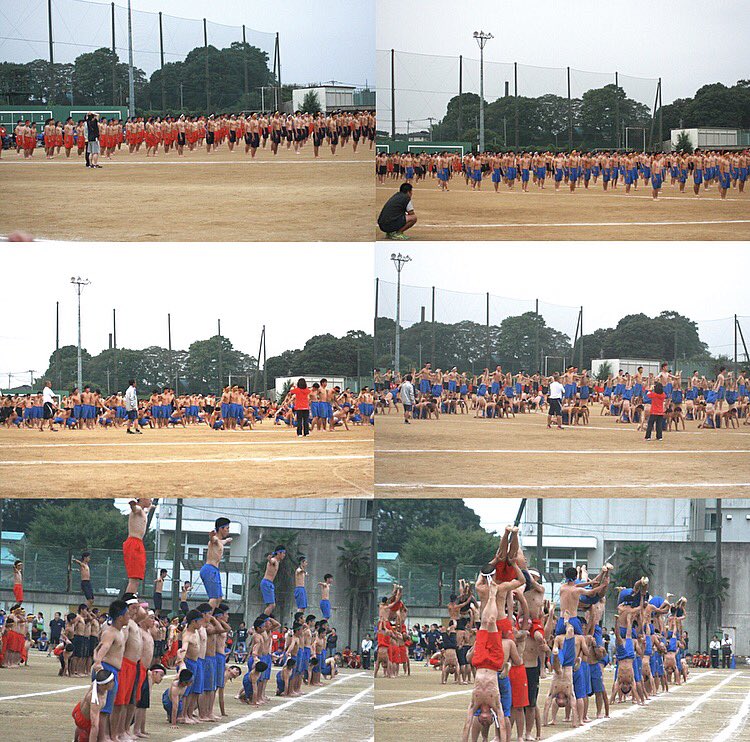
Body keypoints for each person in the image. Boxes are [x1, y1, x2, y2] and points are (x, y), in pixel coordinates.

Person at [71, 667, 116, 741]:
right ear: (103, 685)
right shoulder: (96, 700)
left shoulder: (97, 684)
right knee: (91, 735)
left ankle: (75, 740)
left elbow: (98, 673)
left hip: (79, 710)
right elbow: (94, 726)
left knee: (80, 728)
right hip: (83, 720)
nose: (113, 683)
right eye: (111, 682)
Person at [199, 518, 232, 609]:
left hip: (214, 570)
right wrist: (211, 536)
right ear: (221, 528)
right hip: (209, 569)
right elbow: (212, 539)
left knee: (219, 598)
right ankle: (205, 616)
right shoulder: (215, 540)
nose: (228, 530)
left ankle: (212, 615)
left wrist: (228, 540)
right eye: (227, 528)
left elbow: (222, 542)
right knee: (214, 598)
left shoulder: (220, 542)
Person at [123, 499, 151, 594]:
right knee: (134, 579)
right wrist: (132, 505)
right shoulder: (138, 509)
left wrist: (151, 507)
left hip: (138, 543)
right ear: (142, 499)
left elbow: (146, 511)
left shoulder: (143, 511)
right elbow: (135, 509)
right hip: (133, 543)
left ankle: (131, 597)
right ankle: (128, 600)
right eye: (149, 498)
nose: (151, 500)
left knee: (137, 579)